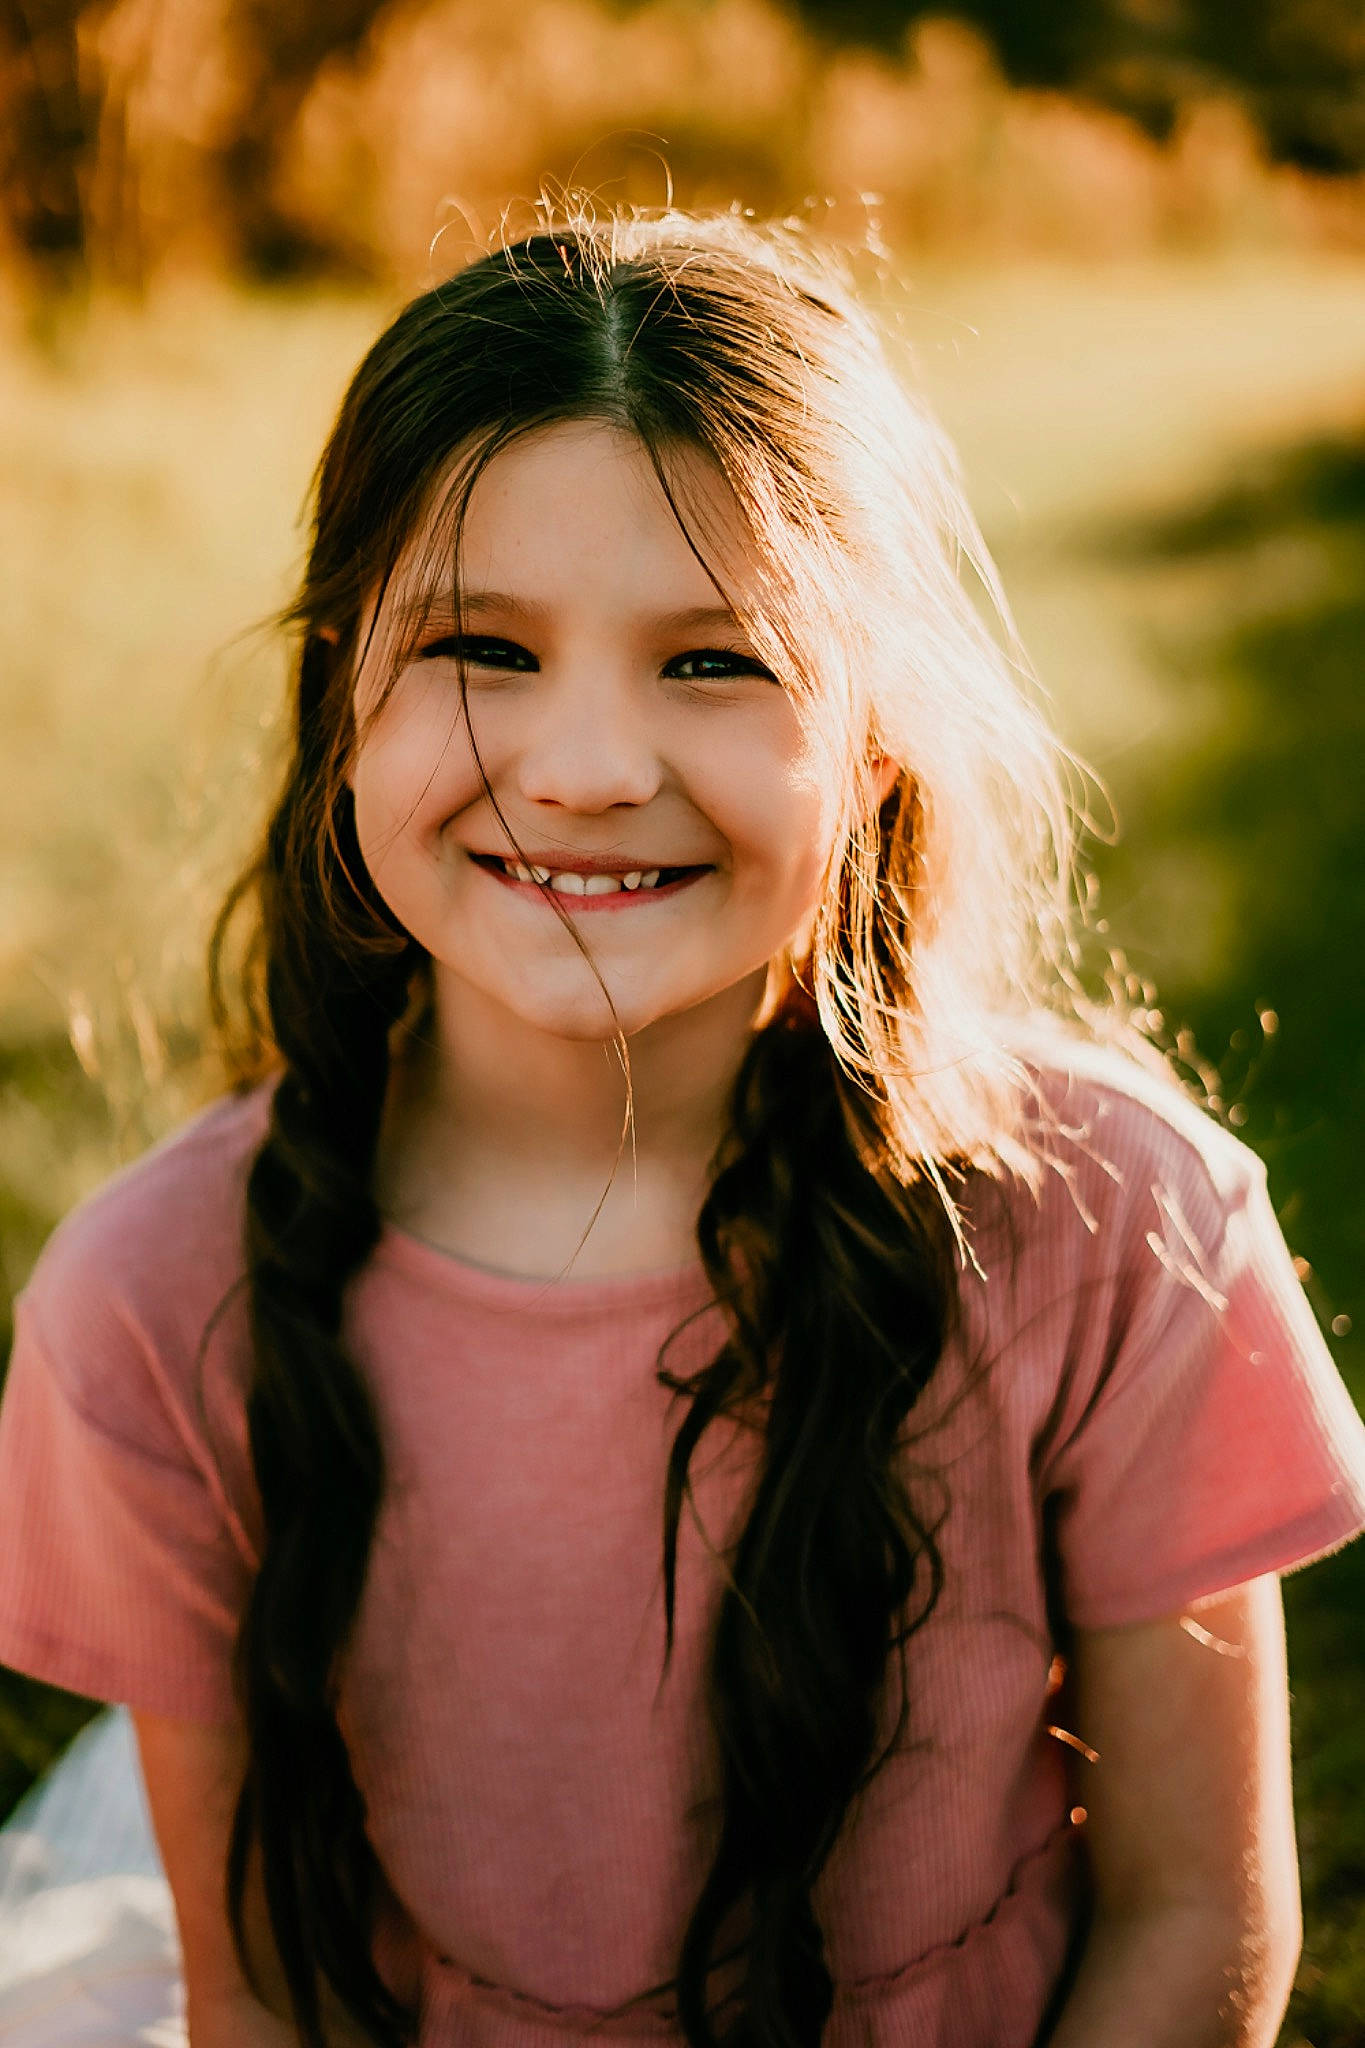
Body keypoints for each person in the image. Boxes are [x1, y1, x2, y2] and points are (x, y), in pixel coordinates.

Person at [1, 208, 1363, 2048]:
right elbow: (257, 1993)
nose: (583, 764)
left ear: (876, 723)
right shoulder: (150, 1308)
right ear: (344, 699)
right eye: (483, 645)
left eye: (712, 662)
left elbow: (1194, 1920)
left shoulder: (1123, 1230)